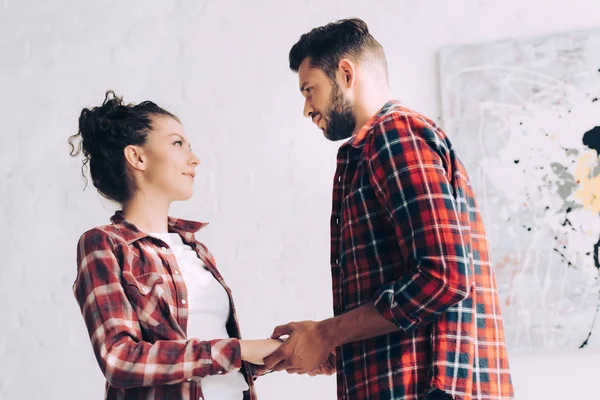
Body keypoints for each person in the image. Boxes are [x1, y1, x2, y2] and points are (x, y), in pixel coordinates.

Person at [264, 18, 515, 400]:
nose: (306, 109)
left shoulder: (393, 137)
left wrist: (327, 333)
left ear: (346, 73)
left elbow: (444, 277)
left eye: (309, 89)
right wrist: (334, 344)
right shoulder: (384, 143)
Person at [70, 91, 280, 400]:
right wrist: (239, 350)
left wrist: (280, 354)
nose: (194, 158)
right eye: (177, 143)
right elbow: (120, 359)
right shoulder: (105, 244)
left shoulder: (196, 249)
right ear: (137, 157)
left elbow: (216, 357)